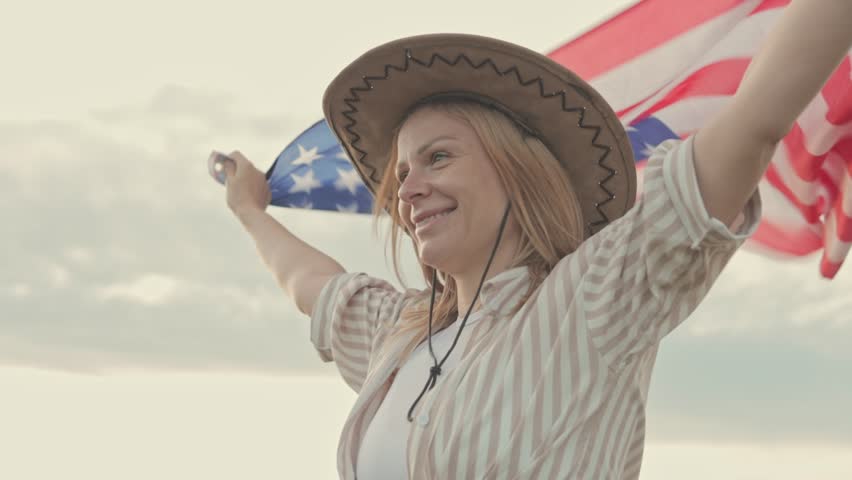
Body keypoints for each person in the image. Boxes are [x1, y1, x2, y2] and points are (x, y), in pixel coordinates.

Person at [220, 1, 852, 478]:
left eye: (438, 158)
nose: (408, 190)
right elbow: (316, 288)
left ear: (516, 173)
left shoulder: (593, 300)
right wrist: (250, 211)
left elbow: (752, 123)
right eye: (403, 173)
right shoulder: (400, 336)